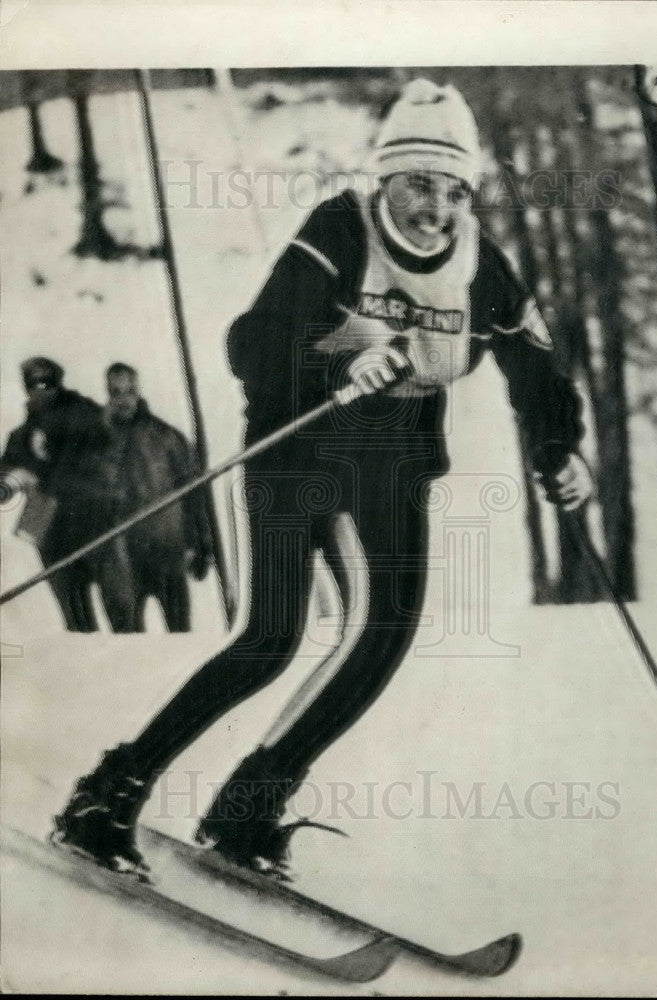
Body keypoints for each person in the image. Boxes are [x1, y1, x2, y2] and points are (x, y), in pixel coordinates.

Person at [52, 79, 593, 879]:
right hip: (297, 452)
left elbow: (536, 366)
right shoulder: (339, 230)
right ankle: (110, 793)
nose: (434, 209)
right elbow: (251, 343)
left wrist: (559, 446)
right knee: (272, 640)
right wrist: (338, 354)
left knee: (384, 636)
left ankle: (246, 810)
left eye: (451, 190)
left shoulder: (482, 264)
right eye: (416, 184)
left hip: (395, 466)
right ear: (384, 179)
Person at [92, 363, 215, 632]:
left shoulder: (166, 438)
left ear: (138, 392)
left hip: (166, 551)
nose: (124, 399)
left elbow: (195, 494)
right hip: (122, 558)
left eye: (129, 391)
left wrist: (204, 545)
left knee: (180, 635)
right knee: (126, 642)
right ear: (108, 394)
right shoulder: (97, 443)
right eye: (116, 392)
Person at [0, 356, 110, 631]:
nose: (41, 390)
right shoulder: (24, 434)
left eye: (48, 383)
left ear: (58, 383)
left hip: (91, 519)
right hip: (50, 528)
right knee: (74, 612)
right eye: (33, 384)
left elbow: (108, 448)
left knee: (116, 603)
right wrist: (14, 479)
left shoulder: (84, 413)